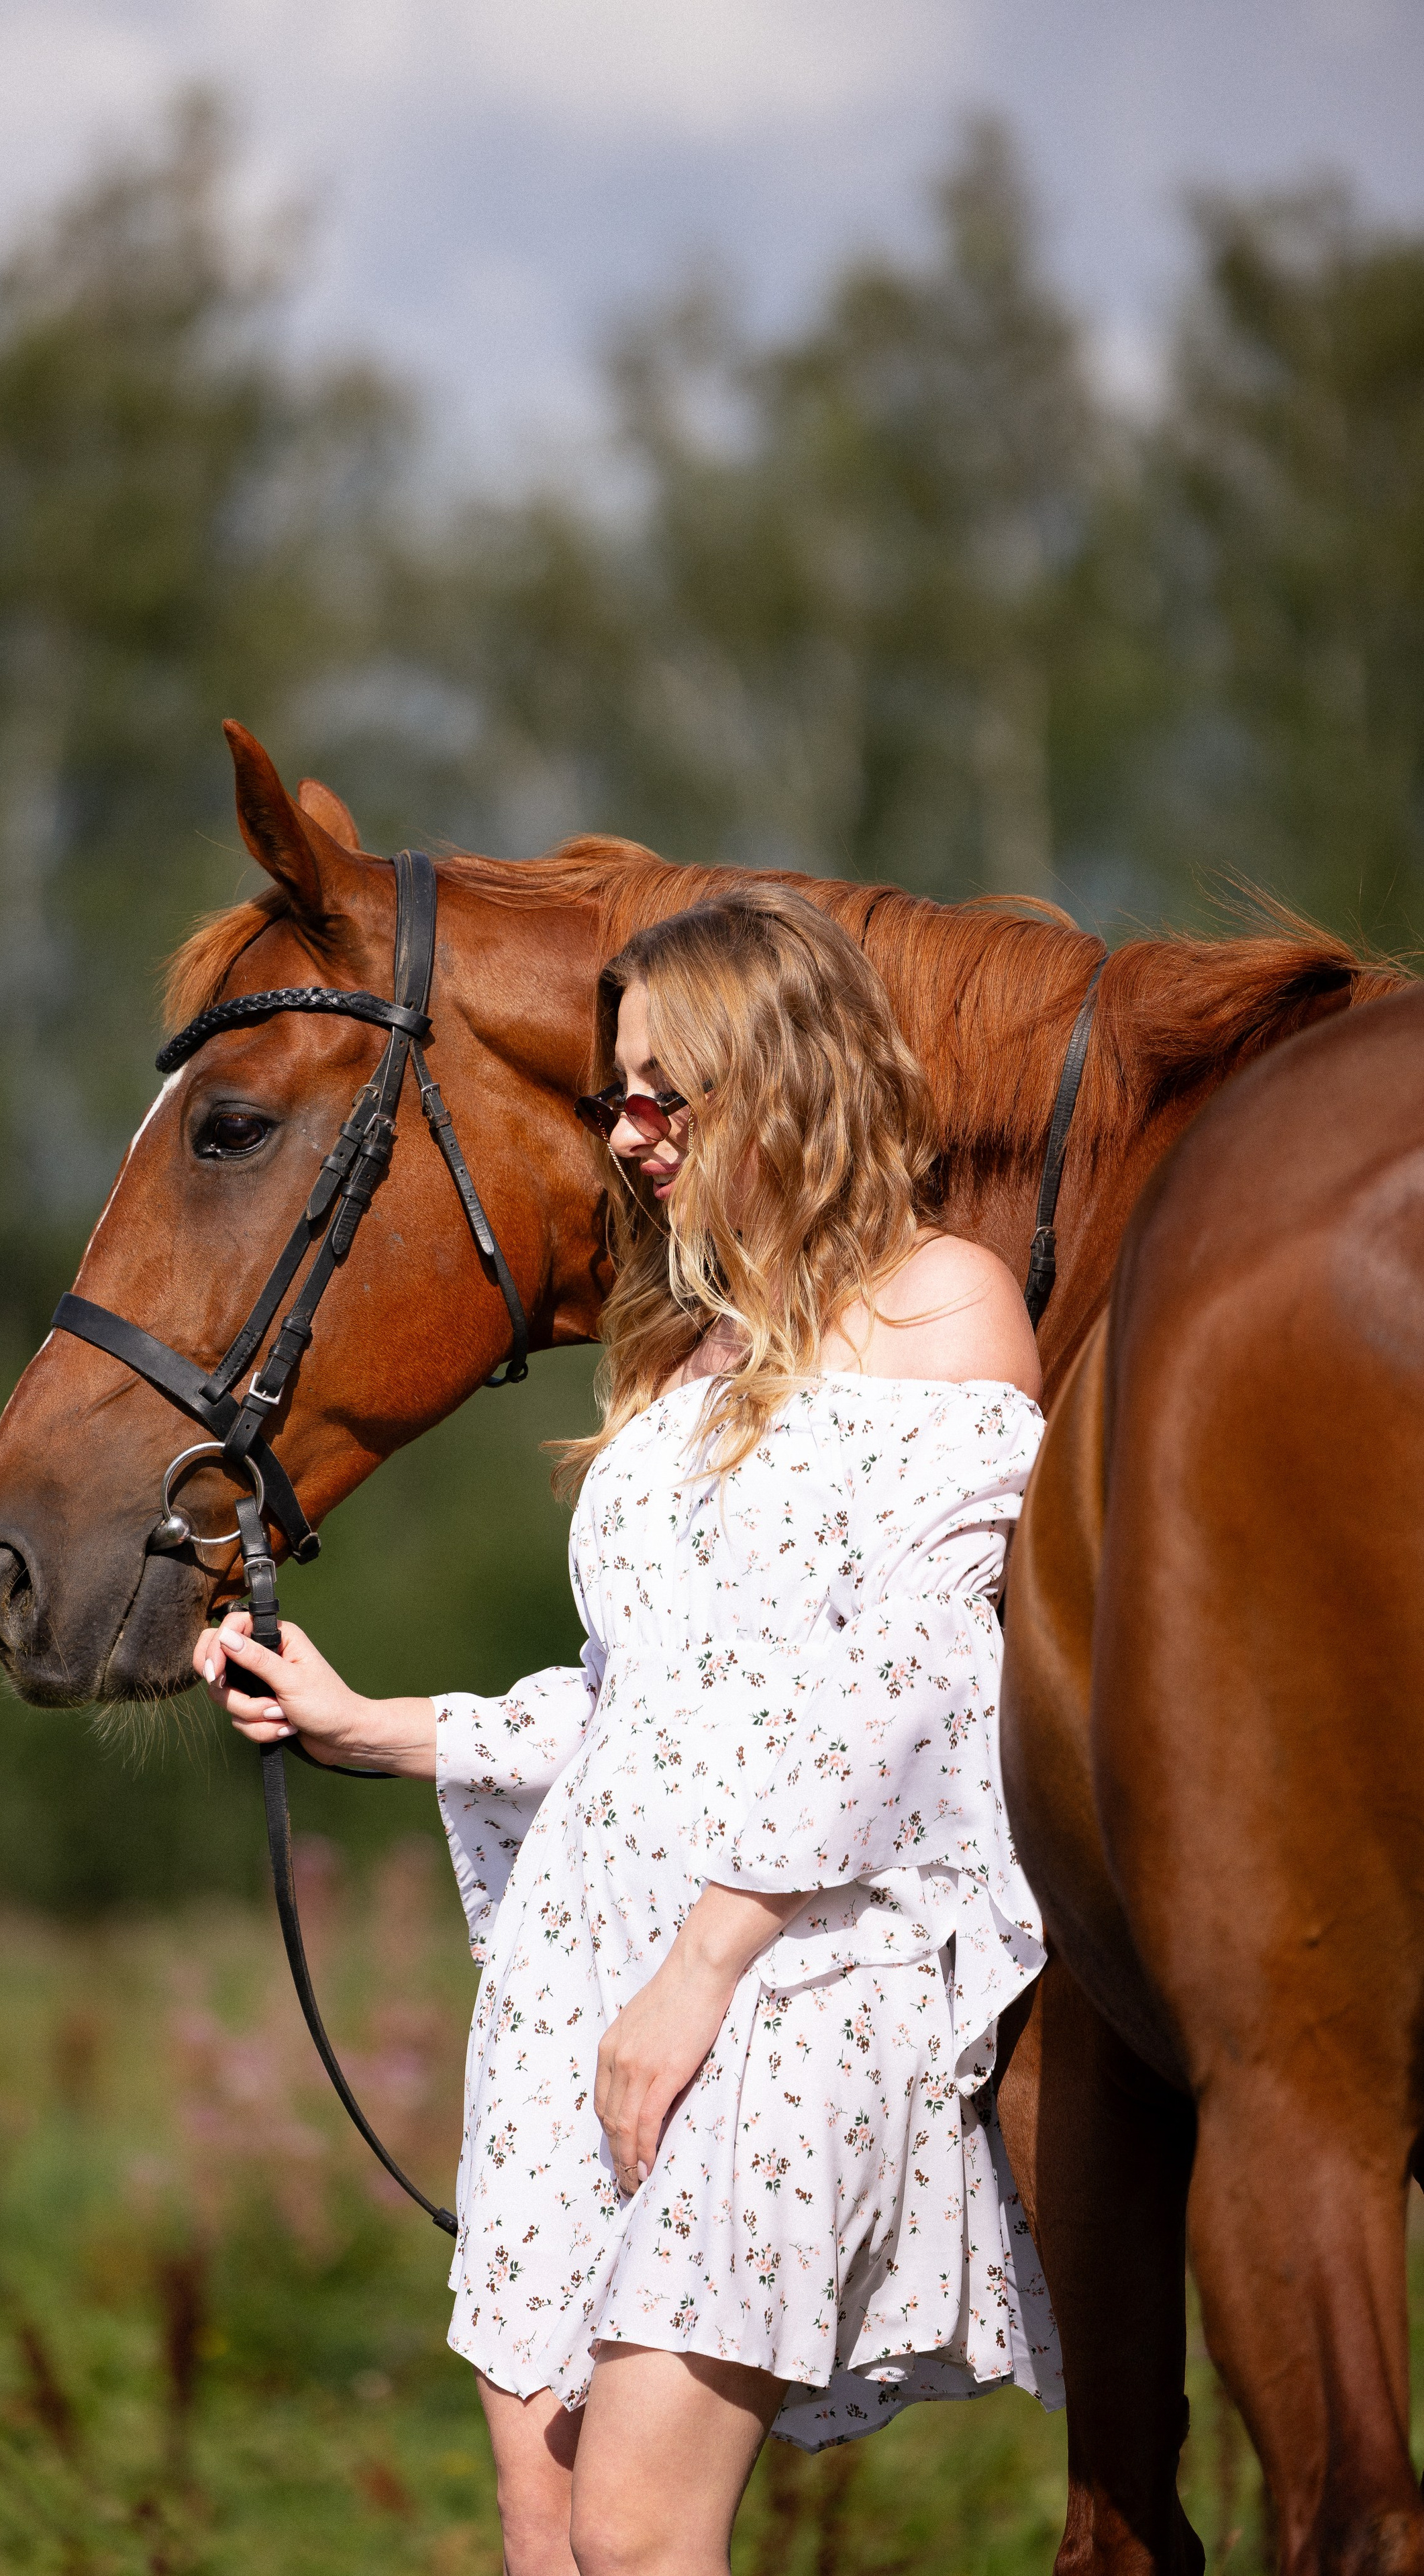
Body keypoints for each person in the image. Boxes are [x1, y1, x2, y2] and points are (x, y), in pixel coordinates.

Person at [197, 885, 1060, 2576]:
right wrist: (375, 1726)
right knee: (546, 2533)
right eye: (620, 1095)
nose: (630, 1131)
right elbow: (640, 1699)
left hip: (784, 1974)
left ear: (792, 1081)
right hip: (576, 1978)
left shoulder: (943, 1306)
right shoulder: (678, 1352)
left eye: (672, 1093)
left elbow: (905, 1685)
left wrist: (702, 1965)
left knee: (639, 2530)